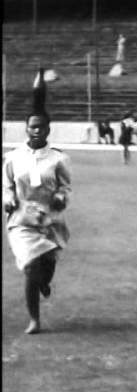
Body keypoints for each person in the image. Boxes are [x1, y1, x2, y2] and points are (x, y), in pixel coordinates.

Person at [2, 69, 71, 334]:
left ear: (48, 129)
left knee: (48, 263)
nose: (36, 131)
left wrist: (61, 197)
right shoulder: (13, 157)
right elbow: (6, 186)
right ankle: (35, 319)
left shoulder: (58, 158)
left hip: (49, 219)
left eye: (41, 127)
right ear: (26, 128)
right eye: (32, 126)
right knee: (31, 266)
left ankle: (44, 282)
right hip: (21, 220)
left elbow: (66, 187)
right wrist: (8, 199)